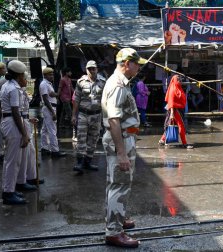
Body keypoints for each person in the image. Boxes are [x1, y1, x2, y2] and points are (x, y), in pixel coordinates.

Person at [101, 48, 146, 248]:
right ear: (127, 63)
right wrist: (121, 153)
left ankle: (117, 217)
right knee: (119, 183)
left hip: (124, 137)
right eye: (137, 63)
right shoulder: (118, 85)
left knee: (117, 183)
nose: (139, 67)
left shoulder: (120, 82)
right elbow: (114, 120)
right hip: (121, 138)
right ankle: (114, 231)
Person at [0, 60, 30, 204]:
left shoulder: (6, 85)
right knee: (12, 160)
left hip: (8, 121)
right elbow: (16, 112)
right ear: (19, 75)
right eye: (23, 74)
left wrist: (2, 115)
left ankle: (10, 189)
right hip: (13, 124)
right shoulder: (14, 89)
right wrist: (23, 133)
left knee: (12, 160)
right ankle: (8, 193)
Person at [72, 60, 106, 174]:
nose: (92, 70)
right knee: (81, 138)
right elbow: (76, 99)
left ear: (97, 69)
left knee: (94, 139)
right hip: (83, 114)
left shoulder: (103, 82)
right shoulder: (81, 82)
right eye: (89, 69)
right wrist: (74, 115)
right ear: (86, 70)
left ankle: (88, 162)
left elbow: (106, 100)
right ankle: (79, 163)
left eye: (93, 68)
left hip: (96, 115)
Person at [16, 72, 42, 191]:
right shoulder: (12, 89)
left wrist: (28, 119)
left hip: (25, 121)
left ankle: (31, 177)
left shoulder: (21, 90)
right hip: (19, 123)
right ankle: (21, 181)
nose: (27, 81)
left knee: (31, 152)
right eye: (25, 79)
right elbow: (14, 111)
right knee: (23, 153)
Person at [158, 74, 193, 149]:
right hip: (175, 110)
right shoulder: (173, 89)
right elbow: (171, 102)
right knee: (181, 126)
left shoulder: (177, 88)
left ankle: (162, 140)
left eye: (180, 80)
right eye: (178, 79)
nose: (179, 81)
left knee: (170, 125)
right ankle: (184, 143)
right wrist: (172, 114)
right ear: (174, 80)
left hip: (177, 109)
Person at [39, 67, 66, 158]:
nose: (52, 76)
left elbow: (50, 94)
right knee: (52, 130)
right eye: (50, 74)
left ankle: (44, 148)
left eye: (52, 74)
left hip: (49, 108)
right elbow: (46, 99)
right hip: (49, 108)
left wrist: (54, 94)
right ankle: (55, 151)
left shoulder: (48, 84)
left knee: (45, 130)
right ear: (45, 75)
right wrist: (53, 112)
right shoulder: (44, 84)